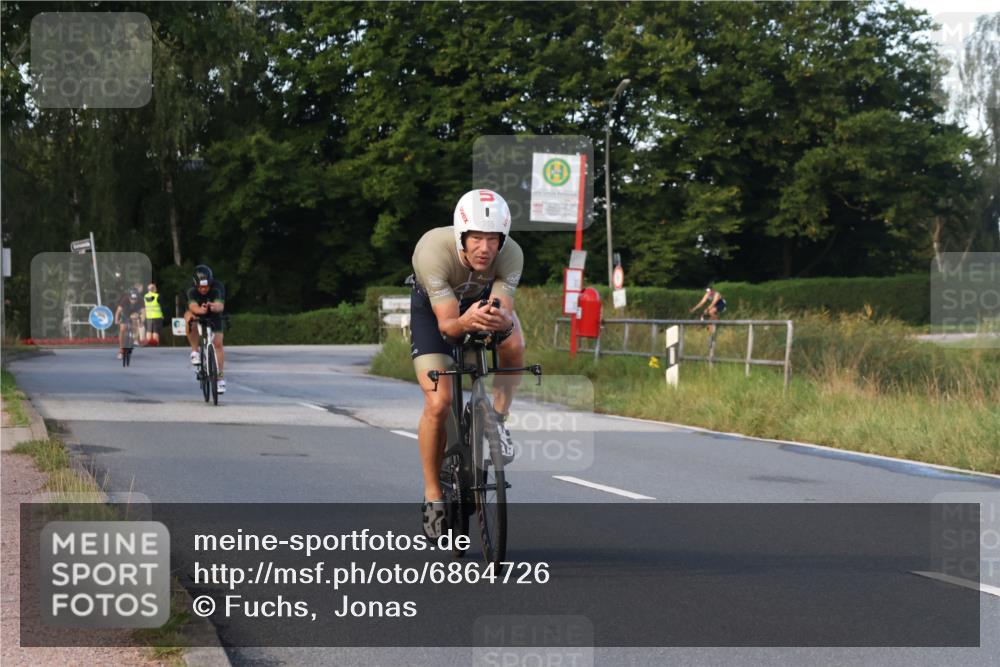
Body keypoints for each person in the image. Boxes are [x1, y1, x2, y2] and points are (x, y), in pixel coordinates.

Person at [410, 189, 525, 538]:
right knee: (439, 401)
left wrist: (500, 322)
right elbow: (448, 326)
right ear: (461, 235)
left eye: (493, 239)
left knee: (516, 345)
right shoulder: (432, 250)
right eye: (476, 238)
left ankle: (499, 423)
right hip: (436, 314)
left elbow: (503, 310)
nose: (485, 248)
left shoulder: (513, 255)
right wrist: (465, 322)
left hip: (481, 306)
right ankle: (433, 495)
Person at [184, 265, 226, 393]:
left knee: (218, 344)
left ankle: (219, 378)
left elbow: (220, 306)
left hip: (213, 313)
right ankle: (195, 351)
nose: (203, 289)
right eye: (200, 287)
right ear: (195, 284)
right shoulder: (190, 289)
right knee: (189, 318)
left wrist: (213, 306)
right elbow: (192, 306)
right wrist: (200, 310)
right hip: (197, 311)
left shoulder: (218, 287)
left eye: (206, 286)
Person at [114, 289, 145, 359]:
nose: (133, 301)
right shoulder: (124, 299)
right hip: (126, 312)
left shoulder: (141, 300)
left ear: (137, 298)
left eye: (135, 299)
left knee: (135, 318)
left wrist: (142, 322)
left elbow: (143, 312)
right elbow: (118, 311)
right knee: (122, 329)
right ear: (129, 297)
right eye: (132, 299)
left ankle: (135, 338)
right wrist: (116, 320)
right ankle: (121, 350)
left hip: (135, 311)